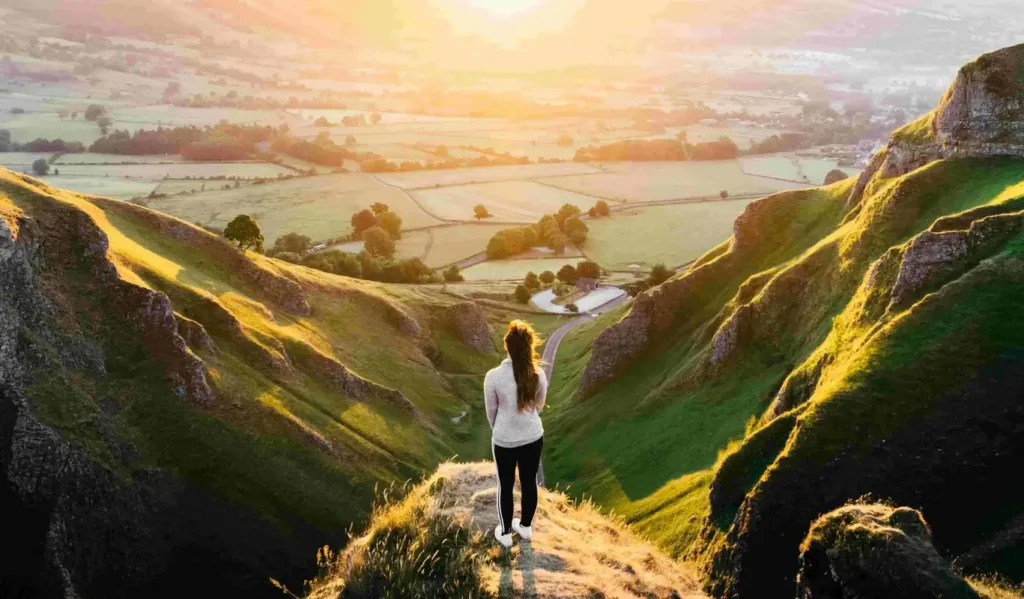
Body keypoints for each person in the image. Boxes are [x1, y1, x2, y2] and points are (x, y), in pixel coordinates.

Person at [485, 320, 548, 548]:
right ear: (529, 346)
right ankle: (526, 528)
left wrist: (502, 429)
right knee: (529, 481)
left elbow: (491, 412)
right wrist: (524, 420)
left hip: (504, 440)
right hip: (533, 435)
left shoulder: (493, 376)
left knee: (506, 484)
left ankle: (504, 533)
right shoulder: (538, 373)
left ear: (507, 347)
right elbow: (539, 405)